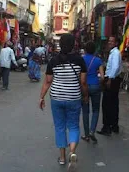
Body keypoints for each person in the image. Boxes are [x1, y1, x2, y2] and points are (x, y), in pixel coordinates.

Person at [39, 34, 88, 170]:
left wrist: (41, 97)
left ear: (60, 44)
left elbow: (48, 81)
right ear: (73, 45)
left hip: (57, 98)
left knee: (60, 127)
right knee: (73, 126)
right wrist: (85, 96)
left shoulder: (53, 60)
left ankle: (62, 158)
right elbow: (83, 82)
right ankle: (72, 152)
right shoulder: (80, 60)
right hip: (74, 97)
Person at [97, 36, 122, 136]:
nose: (110, 42)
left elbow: (115, 67)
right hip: (113, 79)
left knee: (107, 104)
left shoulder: (115, 53)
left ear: (116, 43)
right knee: (113, 103)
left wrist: (110, 79)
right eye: (109, 41)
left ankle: (107, 126)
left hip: (112, 80)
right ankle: (114, 125)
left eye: (112, 41)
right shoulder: (114, 53)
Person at [82, 41, 104, 143]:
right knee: (96, 110)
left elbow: (79, 75)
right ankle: (92, 131)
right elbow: (102, 77)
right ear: (95, 50)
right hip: (95, 86)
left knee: (85, 111)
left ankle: (86, 135)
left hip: (84, 86)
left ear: (85, 49)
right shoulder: (98, 60)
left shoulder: (82, 59)